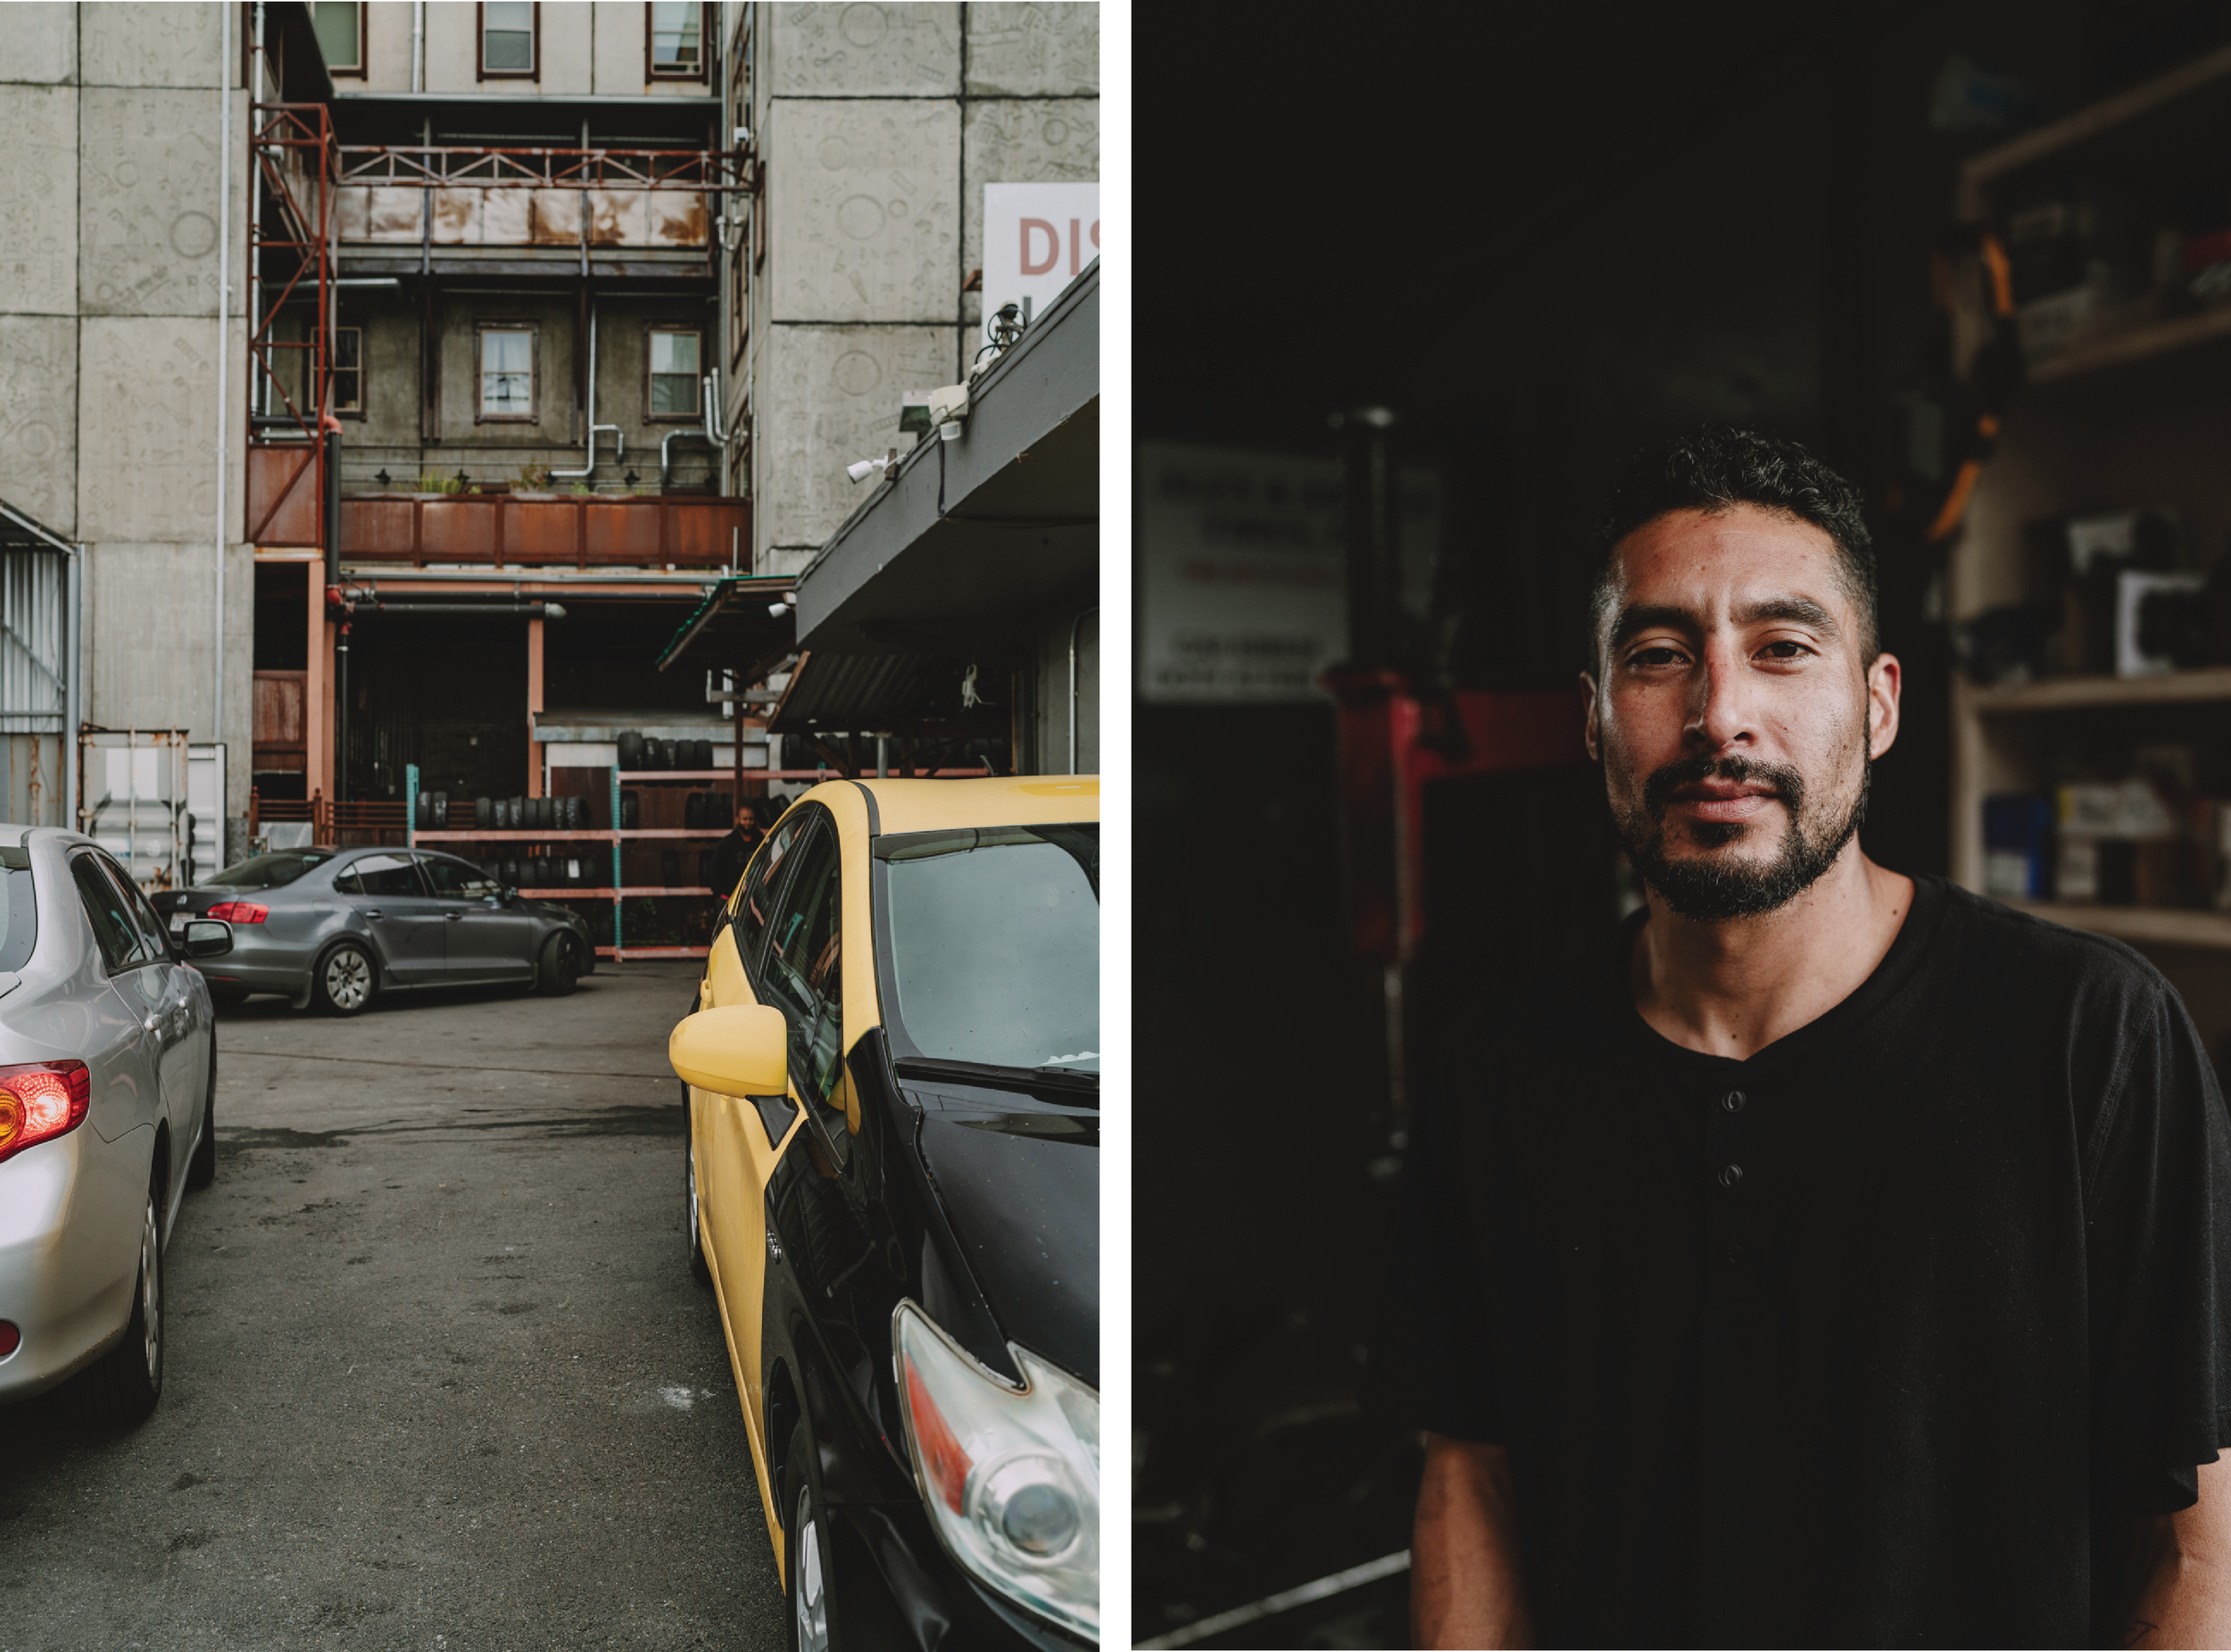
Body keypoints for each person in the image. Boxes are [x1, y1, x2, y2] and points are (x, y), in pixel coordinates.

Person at [1365, 428, 2231, 1649]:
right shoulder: (1494, 1072)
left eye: (1782, 648)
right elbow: (1474, 1481)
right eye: (1661, 655)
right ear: (1595, 716)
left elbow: (2193, 1542)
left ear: (1876, 705)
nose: (1722, 714)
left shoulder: (2091, 1036)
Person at [708, 800, 765, 911]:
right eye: (744, 819)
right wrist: (720, 897)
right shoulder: (725, 845)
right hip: (729, 900)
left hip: (756, 900)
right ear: (737, 820)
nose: (748, 822)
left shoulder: (761, 843)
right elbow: (715, 872)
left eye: (751, 819)